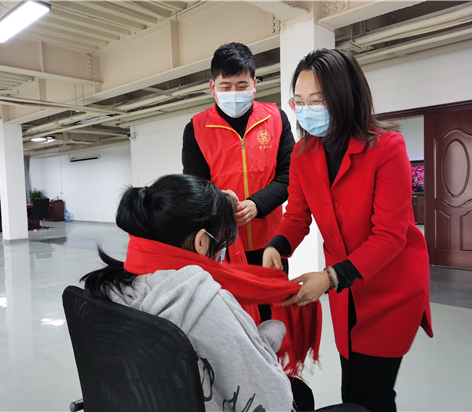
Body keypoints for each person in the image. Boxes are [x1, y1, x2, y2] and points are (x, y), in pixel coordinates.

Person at [81, 174, 365, 412]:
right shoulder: (205, 300)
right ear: (202, 242)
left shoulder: (110, 286)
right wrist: (269, 336)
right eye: (223, 240)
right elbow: (274, 398)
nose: (224, 250)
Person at [263, 49, 434, 412]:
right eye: (299, 102)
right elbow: (297, 216)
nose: (306, 110)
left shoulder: (386, 148)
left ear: (345, 97)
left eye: (317, 100)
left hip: (391, 289)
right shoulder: (303, 153)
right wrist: (276, 245)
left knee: (372, 395)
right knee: (351, 388)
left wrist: (329, 277)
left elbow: (390, 236)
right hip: (346, 290)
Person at [182, 42, 295, 277]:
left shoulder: (276, 118)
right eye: (226, 86)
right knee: (231, 299)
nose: (234, 92)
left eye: (242, 86)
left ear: (254, 85)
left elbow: (290, 175)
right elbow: (196, 187)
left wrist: (256, 204)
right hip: (223, 243)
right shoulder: (196, 128)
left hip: (271, 240)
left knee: (275, 297)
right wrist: (221, 200)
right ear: (213, 87)